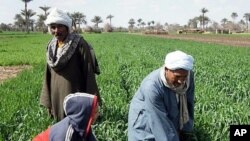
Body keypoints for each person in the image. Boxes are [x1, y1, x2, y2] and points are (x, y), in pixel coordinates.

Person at [40, 8, 101, 121]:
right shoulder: (51, 46)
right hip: (56, 95)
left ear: (67, 27)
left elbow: (88, 73)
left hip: (75, 93)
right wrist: (48, 102)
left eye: (60, 26)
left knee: (75, 124)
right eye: (53, 27)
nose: (56, 31)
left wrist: (92, 104)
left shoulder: (79, 44)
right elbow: (47, 75)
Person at [128, 50, 197, 141]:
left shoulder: (188, 77)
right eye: (177, 76)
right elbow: (160, 123)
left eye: (184, 76)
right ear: (166, 69)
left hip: (166, 112)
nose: (181, 81)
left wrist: (186, 129)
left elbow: (189, 103)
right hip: (145, 121)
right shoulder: (152, 87)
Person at [33, 92, 99, 141]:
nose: (98, 114)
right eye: (95, 112)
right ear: (83, 114)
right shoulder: (66, 133)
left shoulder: (84, 125)